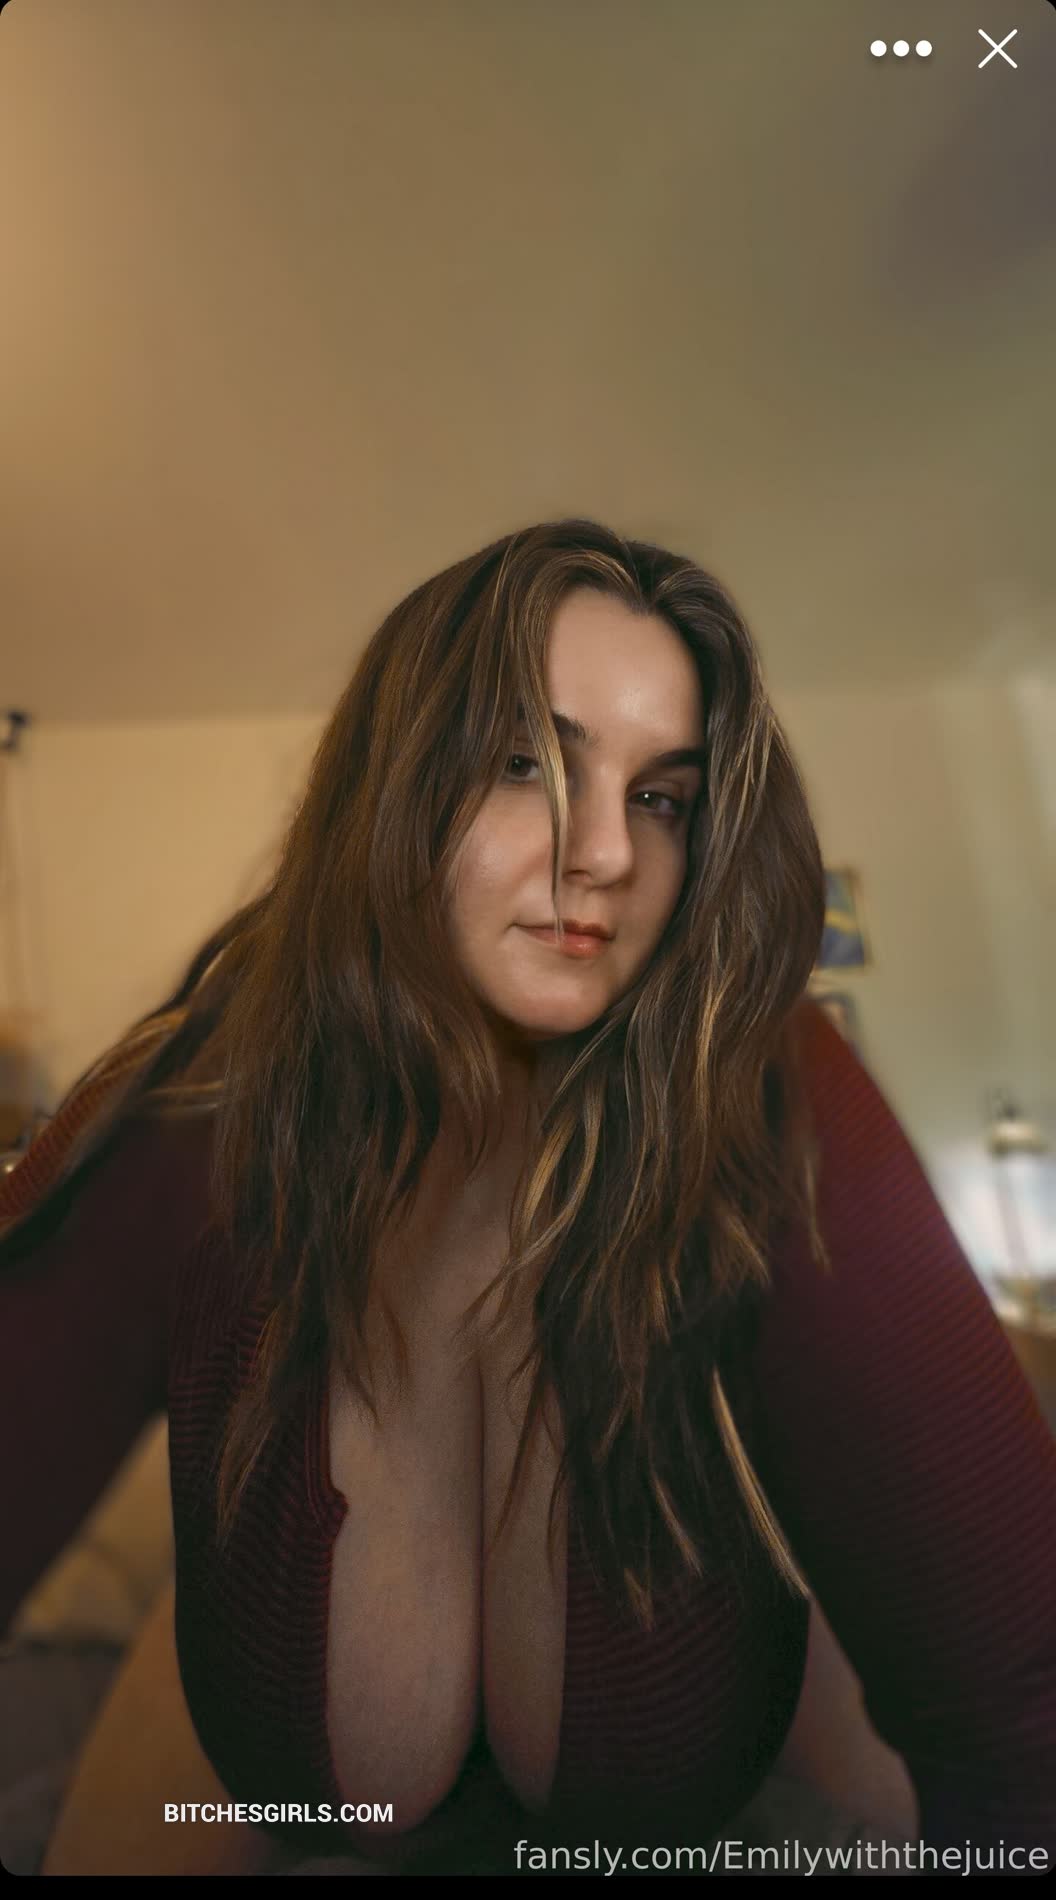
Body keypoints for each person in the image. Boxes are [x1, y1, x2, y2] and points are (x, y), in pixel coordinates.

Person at [1, 517, 1054, 1878]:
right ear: (395, 785)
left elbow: (1021, 1733)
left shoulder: (761, 1088)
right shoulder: (202, 1110)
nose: (605, 851)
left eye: (662, 795)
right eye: (525, 763)